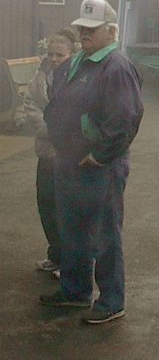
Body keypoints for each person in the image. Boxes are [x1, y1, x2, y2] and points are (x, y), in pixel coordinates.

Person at [40, 0, 143, 325]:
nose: (83, 33)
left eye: (90, 29)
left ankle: (112, 300)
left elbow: (126, 119)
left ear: (111, 31)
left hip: (99, 167)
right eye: (81, 28)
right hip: (68, 163)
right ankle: (74, 291)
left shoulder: (116, 66)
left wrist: (100, 156)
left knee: (104, 235)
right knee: (72, 230)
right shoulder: (79, 61)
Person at [24, 28, 80, 277]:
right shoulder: (39, 78)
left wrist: (60, 131)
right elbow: (31, 105)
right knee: (46, 204)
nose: (55, 58)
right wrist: (48, 130)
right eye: (51, 54)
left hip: (69, 155)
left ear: (72, 54)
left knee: (67, 208)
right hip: (46, 152)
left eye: (60, 54)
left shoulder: (78, 77)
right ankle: (55, 255)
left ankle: (70, 261)